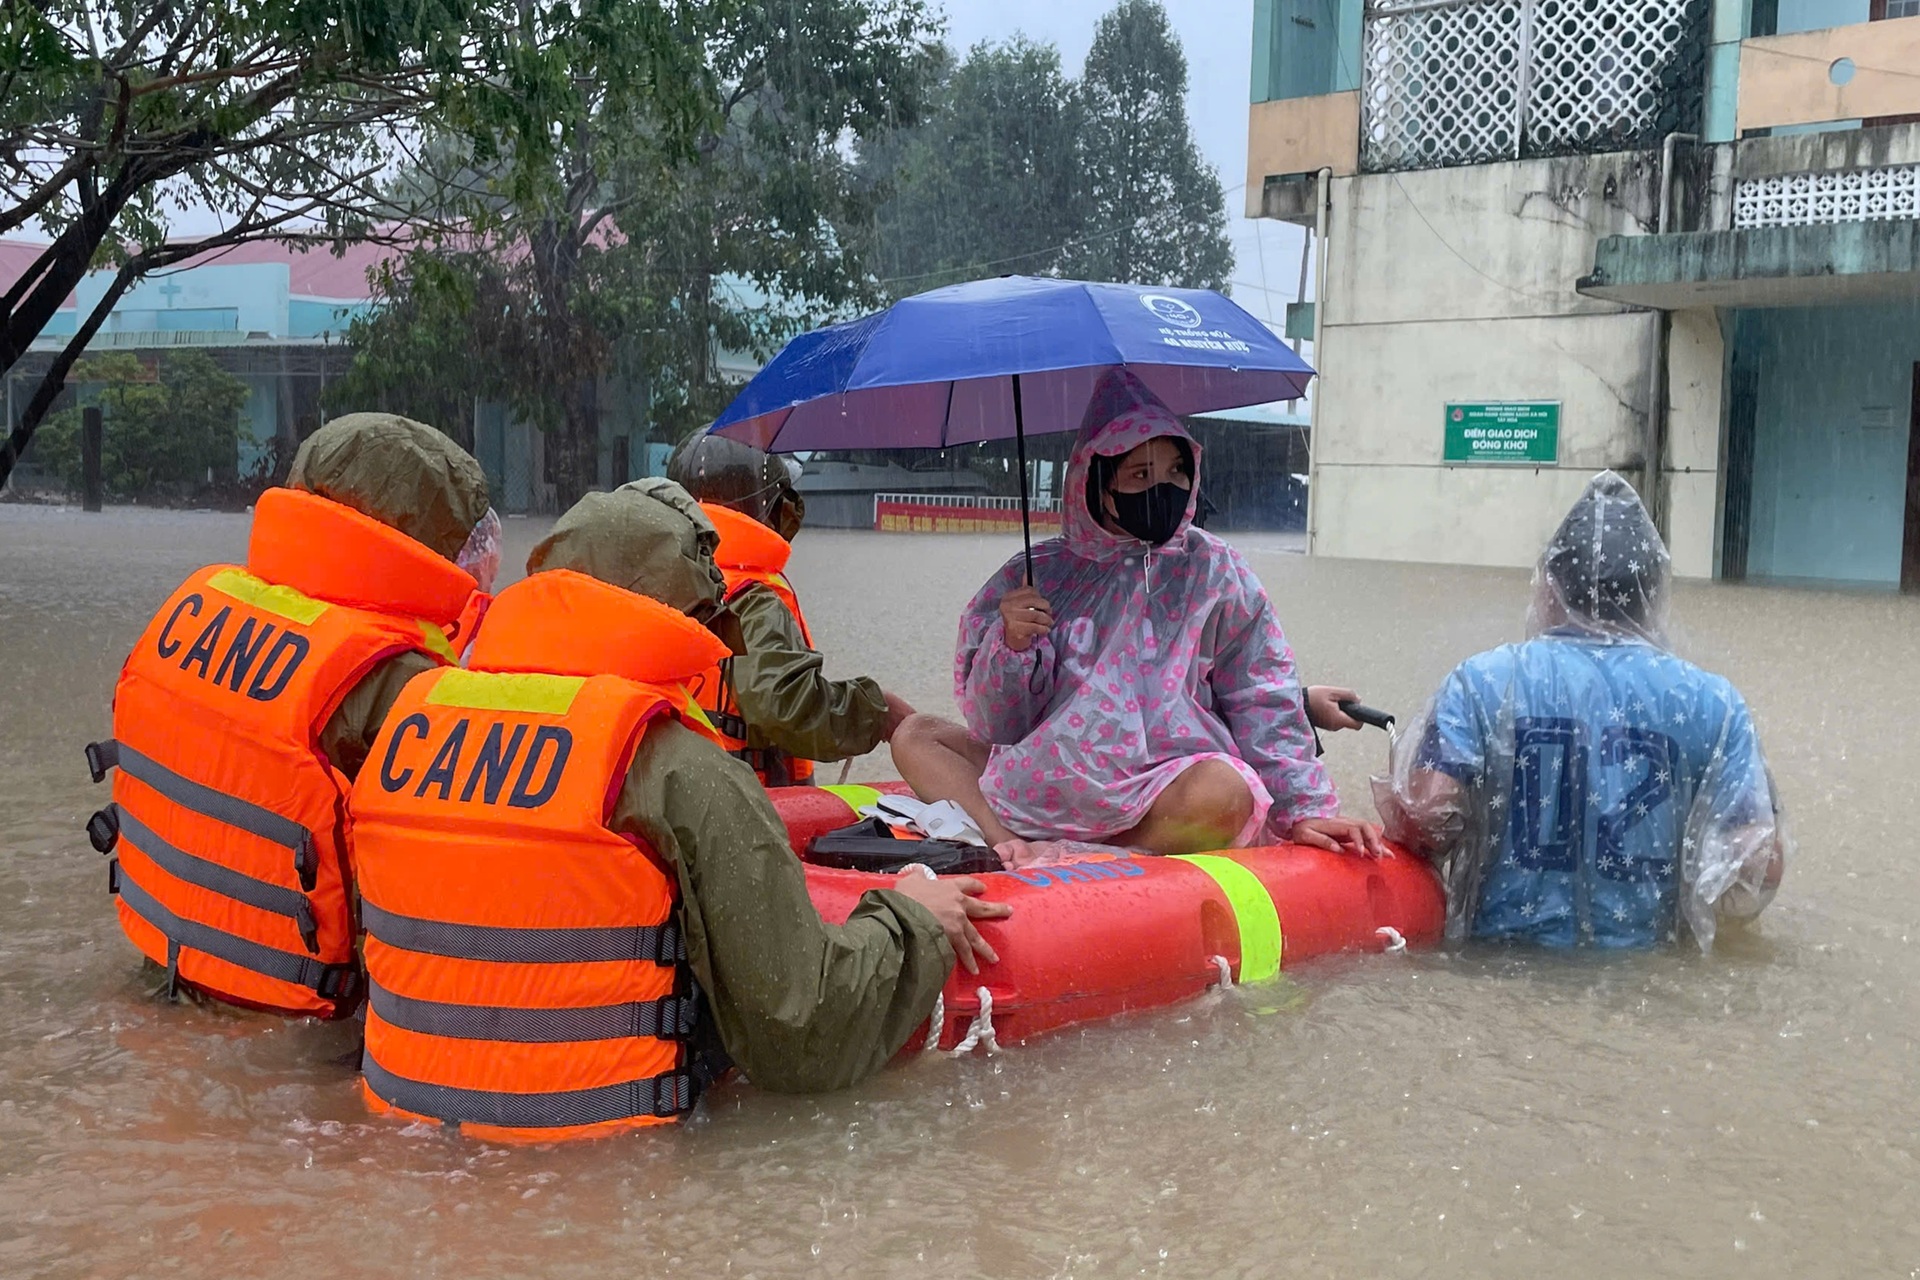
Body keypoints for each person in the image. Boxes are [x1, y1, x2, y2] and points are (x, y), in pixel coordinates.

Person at [347, 480, 1010, 1139]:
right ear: (682, 618)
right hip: (603, 1158)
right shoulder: (682, 770)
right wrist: (913, 917)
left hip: (397, 1127)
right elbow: (804, 1027)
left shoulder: (409, 722)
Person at [82, 413, 492, 1018]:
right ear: (428, 543)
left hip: (163, 969)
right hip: (300, 1013)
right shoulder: (396, 680)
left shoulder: (194, 602)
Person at [890, 369, 1383, 865]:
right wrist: (1012, 646)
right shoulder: (1036, 576)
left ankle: (1092, 854)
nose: (1163, 487)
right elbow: (997, 724)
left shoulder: (1215, 572)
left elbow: (1262, 694)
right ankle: (1006, 840)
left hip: (1159, 788)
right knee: (916, 734)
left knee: (1228, 790)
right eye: (1141, 475)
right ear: (1099, 484)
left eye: (1175, 472)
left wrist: (1305, 808)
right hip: (1036, 788)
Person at [1372, 472, 1787, 950]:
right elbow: (1760, 861)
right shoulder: (1714, 704)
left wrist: (1401, 777)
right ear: (1653, 595)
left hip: (1500, 965)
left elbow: (1426, 815)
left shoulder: (1484, 681)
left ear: (1549, 587)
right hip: (1643, 977)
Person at [658, 435, 913, 785]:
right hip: (743, 804)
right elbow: (787, 709)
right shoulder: (751, 600)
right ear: (766, 508)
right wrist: (875, 711)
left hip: (669, 794)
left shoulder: (650, 579)